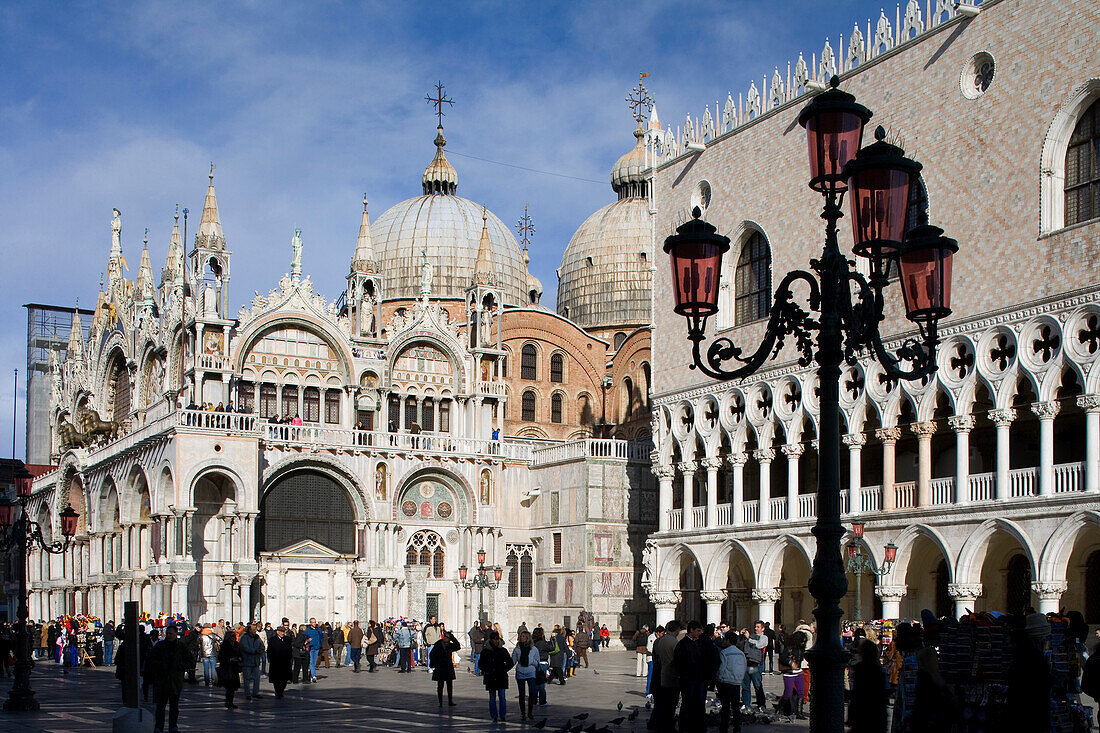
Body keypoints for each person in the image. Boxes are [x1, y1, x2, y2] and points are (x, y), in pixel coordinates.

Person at [145, 625, 191, 733]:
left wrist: (178, 665)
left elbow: (189, 661)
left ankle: (173, 726)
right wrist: (160, 666)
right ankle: (159, 727)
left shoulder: (181, 647)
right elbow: (151, 660)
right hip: (162, 680)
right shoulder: (160, 646)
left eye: (171, 633)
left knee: (174, 707)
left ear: (176, 634)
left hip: (175, 681)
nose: (169, 636)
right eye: (168, 634)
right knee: (160, 706)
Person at [848, 638, 887, 733]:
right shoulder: (879, 670)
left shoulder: (860, 669)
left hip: (862, 713)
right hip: (876, 714)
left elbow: (857, 694)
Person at [674, 621, 706, 732]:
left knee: (697, 702)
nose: (700, 633)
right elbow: (679, 663)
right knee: (687, 702)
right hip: (688, 679)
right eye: (698, 631)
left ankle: (694, 724)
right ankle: (684, 725)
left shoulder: (696, 643)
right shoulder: (683, 644)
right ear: (691, 630)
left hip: (697, 678)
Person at [653, 619, 683, 732]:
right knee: (671, 703)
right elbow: (678, 659)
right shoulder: (674, 642)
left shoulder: (660, 640)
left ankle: (660, 723)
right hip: (671, 675)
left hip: (661, 674)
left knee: (663, 702)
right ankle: (668, 725)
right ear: (677, 630)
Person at [480, 631, 514, 723]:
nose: (495, 641)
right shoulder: (486, 651)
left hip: (501, 676)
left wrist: (504, 669)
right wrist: (488, 669)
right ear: (491, 640)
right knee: (492, 698)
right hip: (491, 677)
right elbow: (481, 664)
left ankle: (502, 715)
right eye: (494, 639)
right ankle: (494, 715)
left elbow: (510, 662)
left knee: (502, 697)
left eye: (497, 639)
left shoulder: (503, 651)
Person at [716, 631, 746, 733]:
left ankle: (724, 726)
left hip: (726, 682)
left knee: (725, 706)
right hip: (737, 682)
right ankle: (737, 726)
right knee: (735, 706)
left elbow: (722, 667)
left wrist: (719, 679)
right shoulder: (741, 653)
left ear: (728, 640)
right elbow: (744, 667)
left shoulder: (724, 652)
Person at [777, 630, 807, 719]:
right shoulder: (789, 647)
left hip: (798, 672)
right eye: (802, 640)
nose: (803, 643)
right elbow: (782, 657)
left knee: (801, 692)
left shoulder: (802, 649)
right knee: (788, 692)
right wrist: (791, 663)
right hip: (789, 673)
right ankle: (780, 708)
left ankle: (799, 712)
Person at [429, 625, 461, 708]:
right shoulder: (438, 644)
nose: (446, 639)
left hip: (448, 667)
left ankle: (450, 700)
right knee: (440, 686)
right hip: (440, 667)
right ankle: (440, 702)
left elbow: (458, 646)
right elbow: (432, 654)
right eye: (446, 637)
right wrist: (433, 664)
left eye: (448, 638)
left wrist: (453, 638)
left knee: (449, 685)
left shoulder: (450, 645)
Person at [512, 629, 540, 721]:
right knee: (522, 694)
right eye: (520, 636)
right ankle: (523, 713)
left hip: (531, 672)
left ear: (527, 638)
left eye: (523, 636)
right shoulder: (517, 649)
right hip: (520, 672)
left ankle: (530, 712)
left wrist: (531, 661)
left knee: (532, 693)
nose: (521, 637)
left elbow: (537, 661)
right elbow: (513, 661)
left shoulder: (534, 649)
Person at [741, 621, 768, 711]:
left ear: (763, 628)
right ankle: (746, 703)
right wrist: (742, 636)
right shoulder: (751, 636)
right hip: (746, 664)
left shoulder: (764, 638)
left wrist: (749, 639)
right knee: (745, 685)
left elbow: (759, 645)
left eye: (758, 627)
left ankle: (761, 704)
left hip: (755, 665)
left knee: (757, 685)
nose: (756, 628)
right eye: (755, 627)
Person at [217, 628, 242, 709]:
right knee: (229, 686)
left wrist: (240, 658)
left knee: (233, 687)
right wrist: (229, 659)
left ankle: (230, 701)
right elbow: (221, 657)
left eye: (234, 636)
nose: (234, 637)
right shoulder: (225, 645)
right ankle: (228, 701)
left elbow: (240, 654)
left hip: (234, 667)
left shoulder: (237, 645)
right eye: (232, 636)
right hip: (227, 668)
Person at [239, 623, 265, 702]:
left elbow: (262, 645)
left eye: (255, 629)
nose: (255, 631)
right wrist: (255, 651)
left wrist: (261, 649)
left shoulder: (257, 637)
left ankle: (255, 692)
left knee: (257, 678)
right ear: (249, 630)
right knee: (247, 678)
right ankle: (247, 694)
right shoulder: (244, 638)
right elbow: (245, 648)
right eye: (253, 629)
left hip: (256, 661)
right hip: (247, 661)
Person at [266, 625, 293, 699]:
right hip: (276, 662)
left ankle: (281, 691)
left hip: (285, 662)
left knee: (285, 678)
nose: (282, 633)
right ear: (277, 632)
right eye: (281, 632)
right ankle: (278, 692)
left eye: (283, 632)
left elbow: (290, 650)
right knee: (276, 679)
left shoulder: (287, 639)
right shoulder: (273, 640)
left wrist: (290, 659)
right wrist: (270, 659)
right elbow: (270, 650)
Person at [532, 627, 552, 707]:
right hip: (542, 663)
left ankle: (534, 700)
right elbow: (551, 648)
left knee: (536, 682)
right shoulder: (542, 643)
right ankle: (542, 700)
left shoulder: (533, 642)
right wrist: (552, 639)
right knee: (541, 683)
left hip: (534, 663)